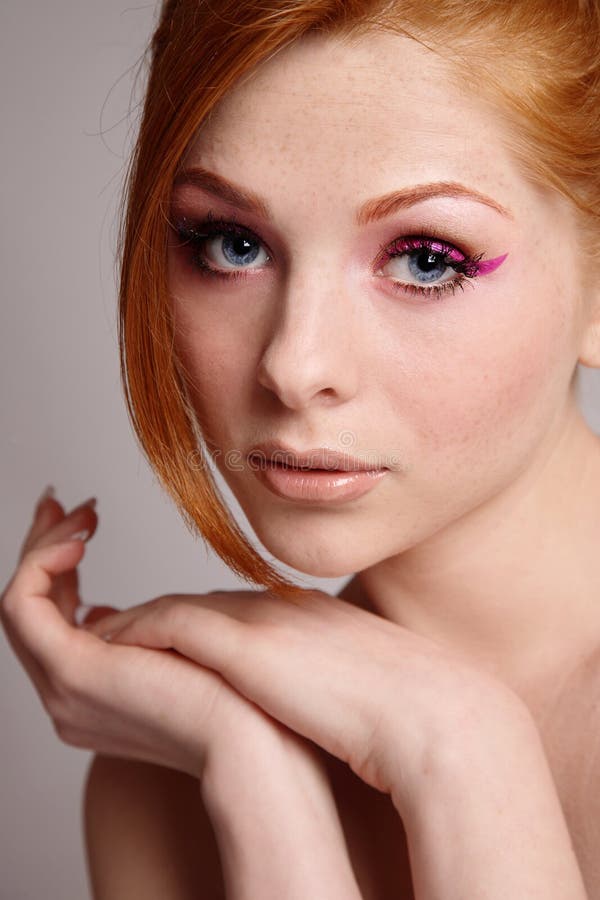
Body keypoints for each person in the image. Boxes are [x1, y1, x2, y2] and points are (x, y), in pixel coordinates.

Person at [3, 0, 600, 896]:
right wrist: (261, 776)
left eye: (426, 259)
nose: (293, 365)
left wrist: (464, 754)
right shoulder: (170, 781)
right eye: (232, 245)